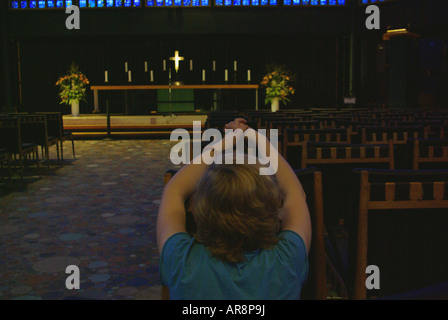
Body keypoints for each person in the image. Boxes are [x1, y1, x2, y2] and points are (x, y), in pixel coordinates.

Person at [157, 118, 311, 299]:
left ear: (198, 209)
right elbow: (293, 190)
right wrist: (250, 134)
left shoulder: (182, 261)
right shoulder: (288, 259)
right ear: (272, 210)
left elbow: (174, 189)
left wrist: (224, 144)